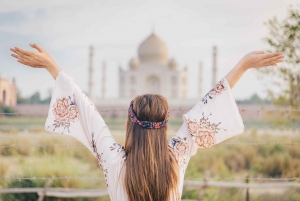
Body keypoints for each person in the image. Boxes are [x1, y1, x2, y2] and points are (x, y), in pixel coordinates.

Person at [10, 44, 283, 201]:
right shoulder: (175, 158)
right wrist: (243, 66)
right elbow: (208, 105)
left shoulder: (115, 161)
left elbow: (86, 110)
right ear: (164, 125)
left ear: (131, 124)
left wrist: (52, 67)